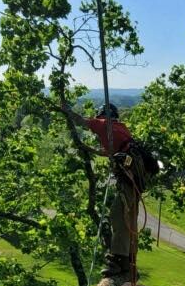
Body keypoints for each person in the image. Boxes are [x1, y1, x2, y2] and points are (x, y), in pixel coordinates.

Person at [60, 101, 143, 277]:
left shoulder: (104, 124)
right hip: (136, 177)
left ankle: (119, 260)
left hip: (130, 179)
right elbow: (109, 152)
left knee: (119, 217)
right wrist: (86, 148)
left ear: (103, 116)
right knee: (128, 218)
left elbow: (81, 120)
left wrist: (66, 109)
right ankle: (129, 262)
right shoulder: (121, 129)